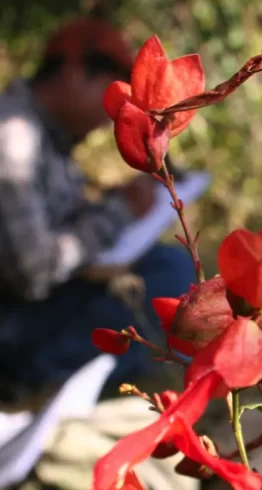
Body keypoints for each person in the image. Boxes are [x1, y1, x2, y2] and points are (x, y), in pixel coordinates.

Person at [0, 17, 196, 403]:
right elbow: (33, 271)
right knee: (172, 275)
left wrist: (111, 208)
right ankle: (36, 388)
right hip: (13, 328)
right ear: (73, 72)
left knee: (168, 267)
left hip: (34, 313)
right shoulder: (13, 134)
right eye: (109, 90)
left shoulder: (48, 138)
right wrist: (120, 212)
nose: (114, 112)